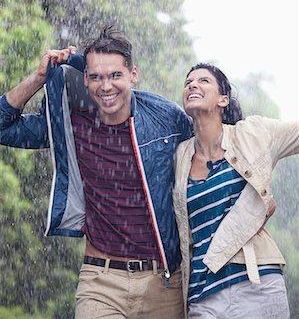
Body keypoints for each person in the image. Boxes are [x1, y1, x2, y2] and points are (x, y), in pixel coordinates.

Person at [0, 24, 194, 319]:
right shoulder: (72, 124)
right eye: (96, 77)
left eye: (115, 75)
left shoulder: (165, 117)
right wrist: (39, 77)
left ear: (133, 74)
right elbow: (3, 127)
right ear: (86, 80)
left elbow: (209, 151)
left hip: (164, 282)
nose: (106, 86)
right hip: (100, 282)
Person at [173, 63, 298, 319]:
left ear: (223, 99)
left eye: (204, 81)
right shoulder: (179, 156)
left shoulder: (252, 133)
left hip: (257, 282)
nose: (193, 85)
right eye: (188, 82)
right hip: (201, 294)